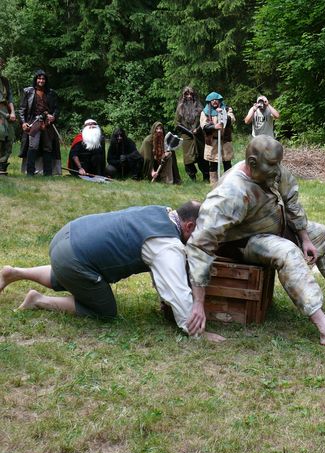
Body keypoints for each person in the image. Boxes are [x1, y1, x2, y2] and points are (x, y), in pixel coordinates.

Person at [186, 135, 325, 347]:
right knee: (287, 252)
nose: (277, 169)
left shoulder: (270, 170)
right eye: (272, 164)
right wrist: (198, 302)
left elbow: (291, 199)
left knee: (322, 234)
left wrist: (305, 238)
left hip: (274, 228)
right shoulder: (231, 193)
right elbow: (200, 244)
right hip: (244, 243)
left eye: (278, 163)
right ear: (252, 162)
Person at [0, 201, 223, 341]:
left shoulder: (162, 212)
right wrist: (197, 332)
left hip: (68, 234)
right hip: (73, 257)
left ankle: (15, 273)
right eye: (202, 233)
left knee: (69, 274)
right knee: (105, 310)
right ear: (189, 226)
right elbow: (176, 290)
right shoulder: (166, 244)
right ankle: (39, 300)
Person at [18, 69, 59, 176]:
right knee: (33, 146)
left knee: (48, 147)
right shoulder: (28, 92)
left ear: (46, 80)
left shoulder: (51, 93)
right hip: (34, 122)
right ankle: (30, 172)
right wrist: (23, 122)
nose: (41, 80)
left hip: (47, 123)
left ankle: (48, 173)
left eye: (43, 79)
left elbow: (56, 108)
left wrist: (53, 116)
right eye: (39, 78)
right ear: (36, 79)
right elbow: (22, 109)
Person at [200, 92, 235, 185]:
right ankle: (214, 183)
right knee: (213, 163)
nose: (214, 101)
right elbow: (203, 125)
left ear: (219, 100)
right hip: (212, 141)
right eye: (212, 100)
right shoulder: (205, 112)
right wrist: (214, 127)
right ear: (209, 101)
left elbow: (232, 119)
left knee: (227, 162)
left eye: (216, 100)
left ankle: (228, 182)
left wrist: (222, 114)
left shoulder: (226, 109)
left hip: (224, 140)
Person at [175, 86, 208, 182]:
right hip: (187, 137)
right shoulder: (180, 108)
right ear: (183, 96)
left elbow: (204, 121)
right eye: (187, 94)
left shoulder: (200, 107)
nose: (189, 96)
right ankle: (192, 178)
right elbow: (177, 124)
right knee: (188, 159)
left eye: (191, 94)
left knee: (202, 157)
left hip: (199, 136)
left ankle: (206, 177)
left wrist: (197, 129)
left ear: (194, 95)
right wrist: (188, 131)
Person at [0, 57, 17, 175]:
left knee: (10, 137)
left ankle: (2, 165)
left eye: (0, 64)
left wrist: (13, 112)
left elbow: (10, 97)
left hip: (6, 110)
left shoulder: (4, 80)